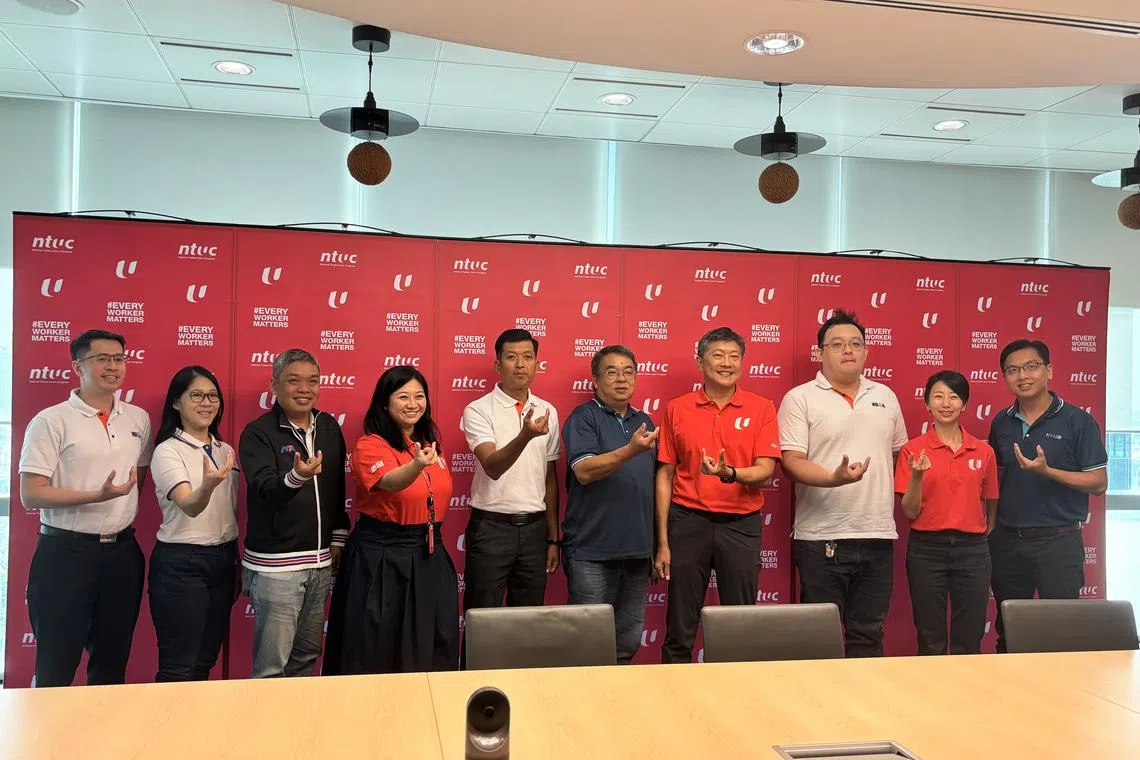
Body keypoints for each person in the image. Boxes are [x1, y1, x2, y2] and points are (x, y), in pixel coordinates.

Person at [18, 329, 152, 687]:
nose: (113, 366)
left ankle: (105, 740)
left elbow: (137, 479)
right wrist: (96, 496)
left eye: (119, 358)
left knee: (112, 661)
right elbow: (31, 494)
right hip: (65, 553)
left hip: (122, 553)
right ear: (78, 366)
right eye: (102, 359)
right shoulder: (51, 420)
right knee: (56, 662)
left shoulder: (137, 419)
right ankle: (50, 742)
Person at [778, 309, 908, 658]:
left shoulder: (887, 396)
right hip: (822, 537)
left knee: (868, 636)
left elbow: (898, 457)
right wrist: (835, 478)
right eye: (837, 344)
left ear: (866, 352)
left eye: (855, 344)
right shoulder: (800, 398)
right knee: (818, 640)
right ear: (821, 352)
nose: (847, 350)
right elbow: (791, 463)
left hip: (878, 535)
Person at [654, 326, 781, 664]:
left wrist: (730, 474)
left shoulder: (762, 408)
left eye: (734, 356)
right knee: (680, 624)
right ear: (701, 361)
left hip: (740, 525)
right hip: (688, 521)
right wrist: (663, 542)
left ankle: (738, 700)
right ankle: (673, 693)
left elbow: (766, 469)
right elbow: (665, 473)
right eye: (718, 355)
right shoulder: (677, 408)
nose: (727, 363)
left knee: (740, 622)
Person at [324, 366, 459, 674]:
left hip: (428, 555)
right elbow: (390, 481)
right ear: (385, 403)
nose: (413, 404)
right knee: (376, 647)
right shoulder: (370, 444)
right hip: (382, 557)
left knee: (430, 641)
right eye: (403, 396)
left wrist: (420, 458)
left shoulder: (427, 444)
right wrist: (415, 465)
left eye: (419, 396)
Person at [987, 339, 1107, 652]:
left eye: (1031, 367)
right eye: (1012, 370)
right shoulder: (1001, 422)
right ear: (1005, 377)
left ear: (1048, 370)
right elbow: (996, 480)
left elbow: (1098, 482)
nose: (1022, 376)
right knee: (1010, 630)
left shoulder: (1077, 421)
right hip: (1008, 542)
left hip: (1059, 542)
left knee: (1062, 632)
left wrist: (1048, 472)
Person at [238, 348, 349, 678]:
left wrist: (338, 538)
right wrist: (297, 476)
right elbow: (263, 490)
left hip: (319, 565)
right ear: (274, 385)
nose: (305, 389)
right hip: (277, 569)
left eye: (312, 381)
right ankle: (267, 729)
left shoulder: (328, 426)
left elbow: (336, 490)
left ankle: (297, 728)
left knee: (306, 656)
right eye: (294, 381)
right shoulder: (258, 433)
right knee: (272, 666)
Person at [563, 346, 658, 664]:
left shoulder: (644, 421)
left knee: (626, 644)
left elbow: (654, 485)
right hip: (592, 553)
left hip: (637, 553)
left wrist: (658, 545)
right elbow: (585, 472)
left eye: (628, 371)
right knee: (587, 645)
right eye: (612, 372)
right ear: (595, 379)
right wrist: (630, 450)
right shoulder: (583, 417)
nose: (622, 379)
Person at [894, 370, 997, 655]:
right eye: (938, 396)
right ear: (927, 403)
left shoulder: (983, 451)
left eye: (954, 397)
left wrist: (975, 533)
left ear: (964, 404)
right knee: (930, 637)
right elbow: (909, 512)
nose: (946, 403)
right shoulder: (912, 450)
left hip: (973, 550)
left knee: (970, 636)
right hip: (927, 550)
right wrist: (916, 476)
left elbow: (991, 503)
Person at [461, 329, 561, 618]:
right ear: (498, 365)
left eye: (528, 357)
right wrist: (525, 435)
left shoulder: (547, 411)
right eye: (512, 357)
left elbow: (549, 477)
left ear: (537, 365)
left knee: (527, 622)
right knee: (482, 619)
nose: (520, 364)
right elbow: (492, 466)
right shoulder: (478, 410)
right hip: (491, 529)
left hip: (534, 531)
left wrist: (553, 539)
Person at [148, 366, 239, 681]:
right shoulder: (167, 450)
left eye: (213, 396)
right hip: (182, 564)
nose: (207, 403)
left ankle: (195, 729)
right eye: (196, 395)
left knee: (205, 661)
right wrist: (208, 485)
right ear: (176, 403)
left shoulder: (225, 450)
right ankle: (169, 730)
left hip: (225, 560)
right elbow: (189, 504)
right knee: (178, 666)